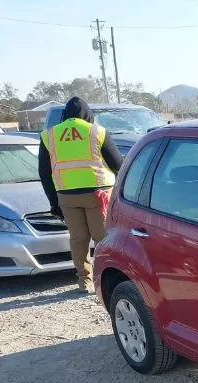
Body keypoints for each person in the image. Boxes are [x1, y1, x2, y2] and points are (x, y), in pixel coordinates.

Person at [39, 96, 123, 293]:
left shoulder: (49, 135)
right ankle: (105, 279)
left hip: (67, 195)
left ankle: (84, 281)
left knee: (78, 239)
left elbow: (44, 172)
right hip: (98, 194)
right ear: (88, 114)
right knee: (102, 238)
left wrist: (54, 202)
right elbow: (118, 164)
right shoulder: (97, 132)